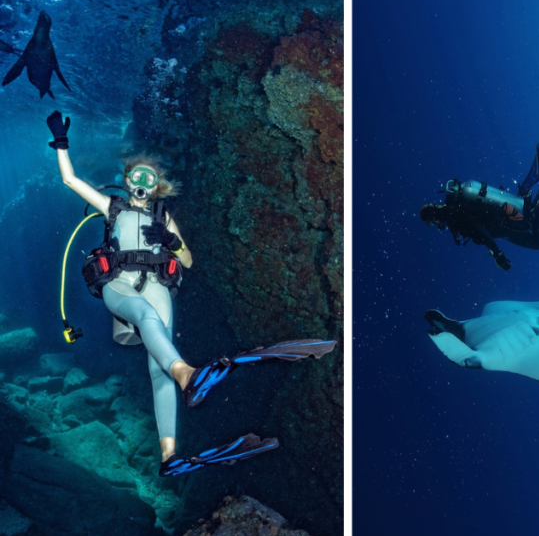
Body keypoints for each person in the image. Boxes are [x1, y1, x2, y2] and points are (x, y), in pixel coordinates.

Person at [46, 110, 336, 477]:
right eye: (136, 175)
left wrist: (170, 239)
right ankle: (189, 375)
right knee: (149, 324)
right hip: (119, 287)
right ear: (127, 180)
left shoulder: (163, 217)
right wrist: (61, 142)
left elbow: (187, 259)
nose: (141, 181)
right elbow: (70, 180)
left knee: (158, 370)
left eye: (148, 178)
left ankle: (170, 456)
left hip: (157, 288)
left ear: (156, 187)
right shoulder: (113, 209)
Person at [420, 144, 539, 271]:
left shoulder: (453, 217)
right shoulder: (454, 204)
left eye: (431, 223)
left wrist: (497, 252)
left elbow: (478, 227)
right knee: (528, 225)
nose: (434, 225)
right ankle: (526, 196)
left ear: (433, 218)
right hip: (502, 208)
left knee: (536, 242)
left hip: (500, 222)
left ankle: (538, 205)